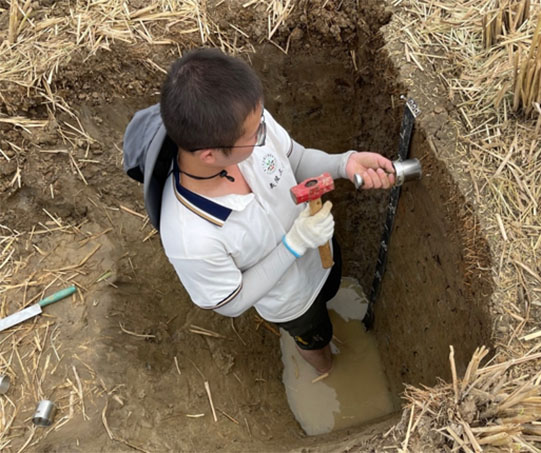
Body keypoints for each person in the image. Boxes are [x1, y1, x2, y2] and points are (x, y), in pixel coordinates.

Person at [124, 48, 395, 374]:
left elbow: (294, 159)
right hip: (290, 300)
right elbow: (233, 301)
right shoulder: (190, 238)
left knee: (332, 290)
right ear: (209, 155)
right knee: (316, 340)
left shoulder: (244, 123)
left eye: (260, 121)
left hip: (322, 256)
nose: (263, 133)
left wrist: (343, 162)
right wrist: (294, 244)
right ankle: (327, 374)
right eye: (254, 135)